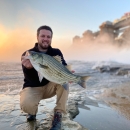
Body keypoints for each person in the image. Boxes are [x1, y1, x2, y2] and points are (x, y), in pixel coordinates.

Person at [20, 25, 69, 130]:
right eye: (43, 36)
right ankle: (31, 112)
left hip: (50, 86)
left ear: (51, 38)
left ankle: (58, 115)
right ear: (37, 37)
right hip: (33, 87)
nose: (45, 39)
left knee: (65, 81)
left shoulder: (56, 52)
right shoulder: (28, 54)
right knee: (26, 105)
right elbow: (29, 79)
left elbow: (63, 67)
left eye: (48, 37)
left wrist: (69, 74)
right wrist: (29, 68)